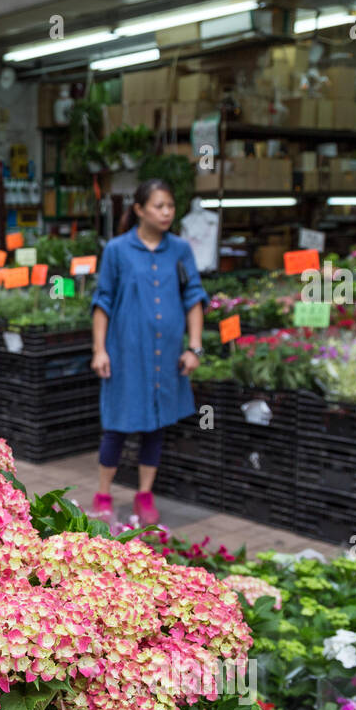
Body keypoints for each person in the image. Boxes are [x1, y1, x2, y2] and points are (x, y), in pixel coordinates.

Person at [90, 178, 207, 526]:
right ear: (139, 209)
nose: (166, 212)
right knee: (118, 424)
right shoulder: (117, 250)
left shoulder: (181, 250)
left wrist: (195, 347)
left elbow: (194, 298)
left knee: (157, 425)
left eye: (170, 206)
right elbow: (102, 302)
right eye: (159, 206)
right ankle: (103, 494)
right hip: (125, 352)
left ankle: (144, 494)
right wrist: (99, 349)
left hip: (166, 354)